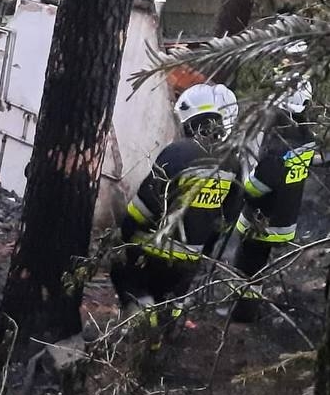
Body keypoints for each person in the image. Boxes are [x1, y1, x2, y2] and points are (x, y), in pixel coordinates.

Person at [110, 84, 243, 326]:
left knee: (120, 269)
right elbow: (227, 220)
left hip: (155, 253)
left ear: (191, 121)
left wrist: (124, 234)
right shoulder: (233, 163)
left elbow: (145, 205)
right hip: (191, 258)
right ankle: (167, 333)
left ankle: (144, 318)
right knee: (173, 298)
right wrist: (204, 249)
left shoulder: (178, 152)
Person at [231, 75, 316, 322]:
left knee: (247, 268)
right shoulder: (306, 138)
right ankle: (249, 304)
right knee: (258, 264)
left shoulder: (279, 145)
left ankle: (243, 315)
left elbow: (255, 188)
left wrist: (243, 174)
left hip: (262, 221)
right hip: (285, 219)